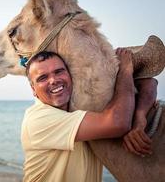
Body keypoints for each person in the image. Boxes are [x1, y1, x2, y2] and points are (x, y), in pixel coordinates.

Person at [21, 50, 157, 182]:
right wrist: (126, 69)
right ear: (33, 89)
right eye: (43, 78)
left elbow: (149, 82)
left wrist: (139, 118)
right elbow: (118, 123)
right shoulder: (38, 118)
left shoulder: (83, 108)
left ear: (70, 75)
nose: (53, 80)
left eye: (59, 71)